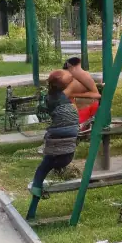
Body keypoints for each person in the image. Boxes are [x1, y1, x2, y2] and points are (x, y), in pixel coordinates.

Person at [27, 70, 80, 198]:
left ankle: (36, 186)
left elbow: (42, 114)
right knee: (66, 153)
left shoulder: (49, 98)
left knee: (46, 164)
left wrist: (40, 106)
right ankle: (59, 166)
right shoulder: (66, 97)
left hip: (58, 131)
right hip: (74, 130)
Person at [64, 55, 100, 127]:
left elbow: (97, 95)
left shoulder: (83, 75)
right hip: (78, 107)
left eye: (68, 69)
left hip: (86, 106)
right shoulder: (73, 76)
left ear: (71, 67)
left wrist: (73, 95)